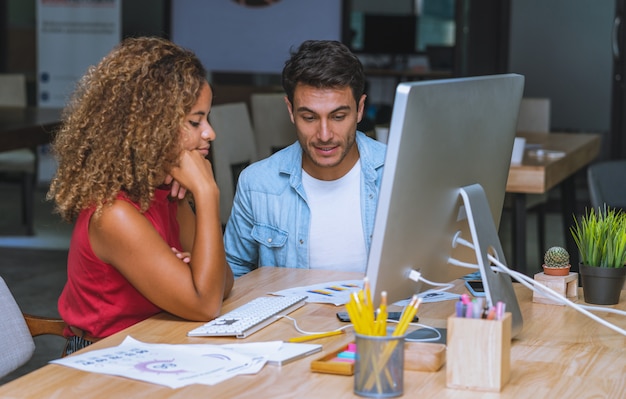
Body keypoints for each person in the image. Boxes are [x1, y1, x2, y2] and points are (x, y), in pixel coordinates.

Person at [47, 37, 234, 354]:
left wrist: (200, 276)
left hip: (153, 343)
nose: (210, 133)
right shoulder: (114, 215)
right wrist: (206, 192)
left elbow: (221, 284)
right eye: (195, 121)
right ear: (152, 126)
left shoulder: (166, 194)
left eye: (207, 118)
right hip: (101, 357)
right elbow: (206, 305)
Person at [224, 39, 386, 278]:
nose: (324, 135)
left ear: (360, 109)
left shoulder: (398, 172)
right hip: (293, 317)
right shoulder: (258, 184)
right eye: (309, 118)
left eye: (338, 116)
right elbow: (233, 272)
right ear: (290, 110)